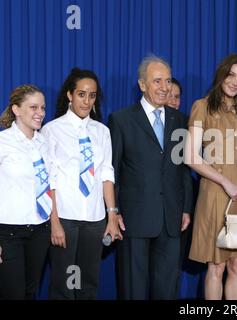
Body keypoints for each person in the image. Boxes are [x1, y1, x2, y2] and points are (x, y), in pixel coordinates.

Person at [108, 55, 193, 300]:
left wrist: (185, 208)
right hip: (133, 217)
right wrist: (114, 211)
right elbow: (112, 170)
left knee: (167, 287)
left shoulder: (180, 119)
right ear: (142, 85)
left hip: (171, 216)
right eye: (157, 81)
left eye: (167, 81)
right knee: (133, 287)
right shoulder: (121, 119)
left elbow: (182, 168)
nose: (164, 87)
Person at [185, 54, 237, 300]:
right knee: (217, 266)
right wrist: (225, 182)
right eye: (231, 75)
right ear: (221, 75)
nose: (235, 82)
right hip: (216, 193)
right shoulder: (202, 106)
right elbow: (190, 157)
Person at [41, 68, 123, 299]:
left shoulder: (102, 132)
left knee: (89, 283)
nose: (87, 101)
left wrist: (112, 216)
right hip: (65, 218)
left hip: (95, 219)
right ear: (69, 95)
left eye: (92, 95)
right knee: (64, 285)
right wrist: (54, 221)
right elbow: (49, 180)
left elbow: (107, 175)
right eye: (81, 94)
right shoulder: (52, 130)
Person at [0, 84, 51, 299]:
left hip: (40, 229)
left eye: (42, 108)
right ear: (16, 109)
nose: (40, 113)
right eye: (33, 107)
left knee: (31, 292)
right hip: (8, 233)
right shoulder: (3, 142)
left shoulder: (44, 142)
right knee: (13, 294)